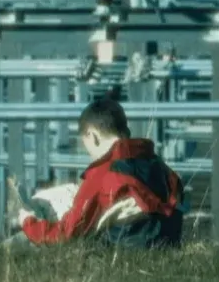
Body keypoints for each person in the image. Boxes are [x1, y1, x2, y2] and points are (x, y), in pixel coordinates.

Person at [19, 97, 187, 249]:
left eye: (87, 145)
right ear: (125, 132)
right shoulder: (160, 165)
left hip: (123, 251)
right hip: (168, 243)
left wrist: (29, 222)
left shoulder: (103, 174)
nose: (89, 153)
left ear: (93, 137)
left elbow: (67, 234)